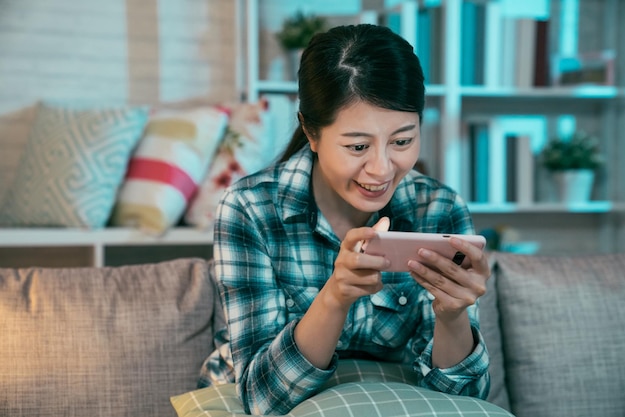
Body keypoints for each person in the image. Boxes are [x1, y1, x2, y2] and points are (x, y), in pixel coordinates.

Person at [199, 23, 491, 415]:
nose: (382, 169)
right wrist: (335, 296)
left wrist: (452, 314)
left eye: (402, 141)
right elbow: (262, 398)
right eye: (358, 146)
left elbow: (466, 400)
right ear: (311, 132)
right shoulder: (250, 208)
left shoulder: (437, 208)